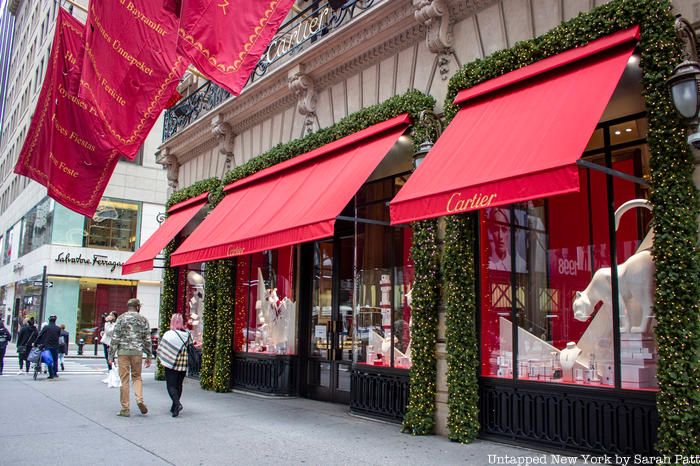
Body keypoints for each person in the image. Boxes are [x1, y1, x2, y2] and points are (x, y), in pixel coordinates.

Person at [108, 298, 153, 417]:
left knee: (124, 380)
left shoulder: (121, 318)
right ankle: (139, 400)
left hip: (123, 352)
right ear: (138, 307)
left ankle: (125, 408)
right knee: (137, 377)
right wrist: (149, 355)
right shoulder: (143, 320)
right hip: (137, 352)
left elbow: (115, 337)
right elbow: (147, 339)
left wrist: (111, 355)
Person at [157, 314, 192, 417]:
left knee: (171, 385)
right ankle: (174, 408)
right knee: (179, 385)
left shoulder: (168, 334)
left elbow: (162, 348)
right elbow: (190, 347)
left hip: (171, 363)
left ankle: (177, 404)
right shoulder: (187, 334)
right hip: (183, 363)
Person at [36, 315, 61, 379]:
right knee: (55, 360)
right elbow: (58, 336)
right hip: (55, 346)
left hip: (48, 346)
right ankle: (55, 373)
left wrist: (36, 342)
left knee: (49, 360)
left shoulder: (46, 327)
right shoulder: (58, 328)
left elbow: (40, 335)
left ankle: (51, 374)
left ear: (49, 320)